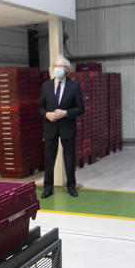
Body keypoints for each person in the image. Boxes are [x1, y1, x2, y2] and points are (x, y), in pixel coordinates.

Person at [38, 56, 84, 198]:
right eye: (55, 65)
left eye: (60, 66)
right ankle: (48, 187)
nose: (57, 68)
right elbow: (40, 107)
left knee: (69, 158)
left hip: (67, 127)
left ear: (67, 69)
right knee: (49, 159)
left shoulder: (74, 86)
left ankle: (71, 186)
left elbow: (80, 108)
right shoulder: (45, 86)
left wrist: (66, 113)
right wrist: (47, 115)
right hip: (50, 127)